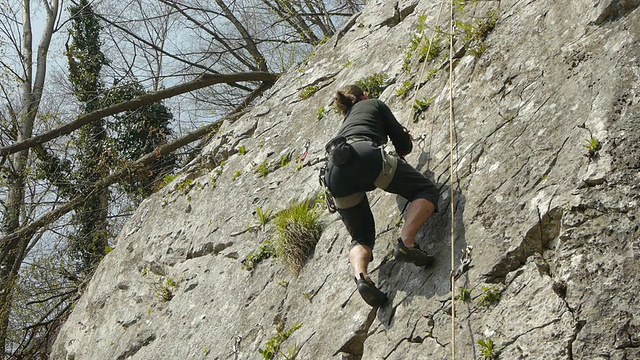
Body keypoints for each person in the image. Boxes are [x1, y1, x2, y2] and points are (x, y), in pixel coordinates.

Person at [323, 84, 440, 307]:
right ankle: (406, 243)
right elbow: (402, 142)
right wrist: (403, 151)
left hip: (334, 175)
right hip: (364, 155)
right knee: (425, 190)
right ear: (364, 95)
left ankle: (361, 276)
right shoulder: (373, 104)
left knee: (361, 237)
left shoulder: (345, 126)